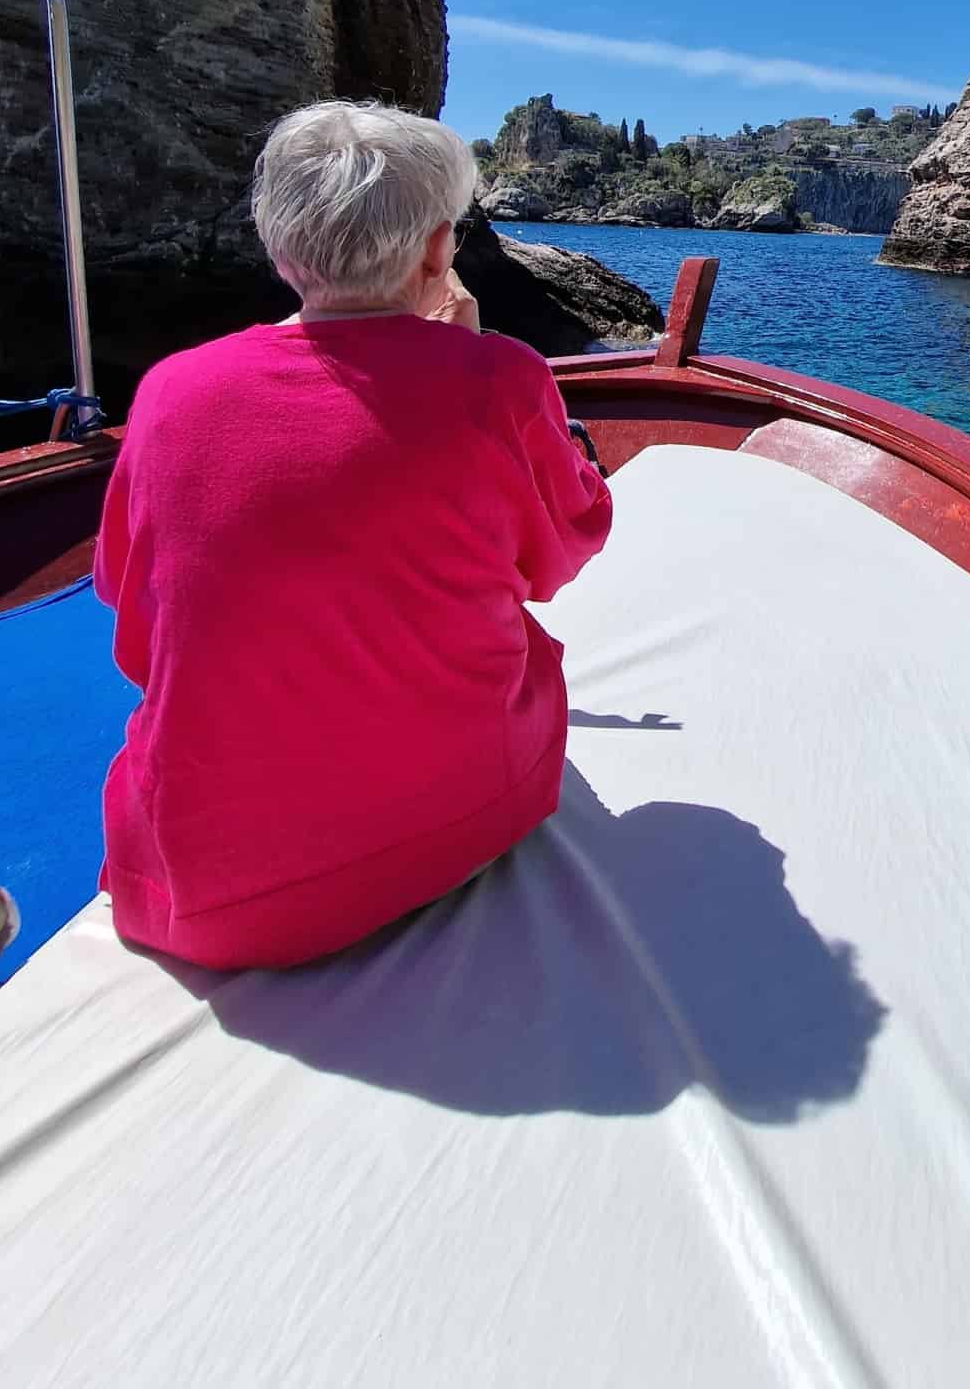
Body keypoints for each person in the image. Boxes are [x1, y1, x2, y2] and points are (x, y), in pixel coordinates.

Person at [93, 101, 612, 970]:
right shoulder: (501, 381)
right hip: (469, 818)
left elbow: (126, 595)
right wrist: (477, 365)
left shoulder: (170, 391)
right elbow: (565, 550)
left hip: (202, 898)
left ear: (277, 241)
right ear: (440, 249)